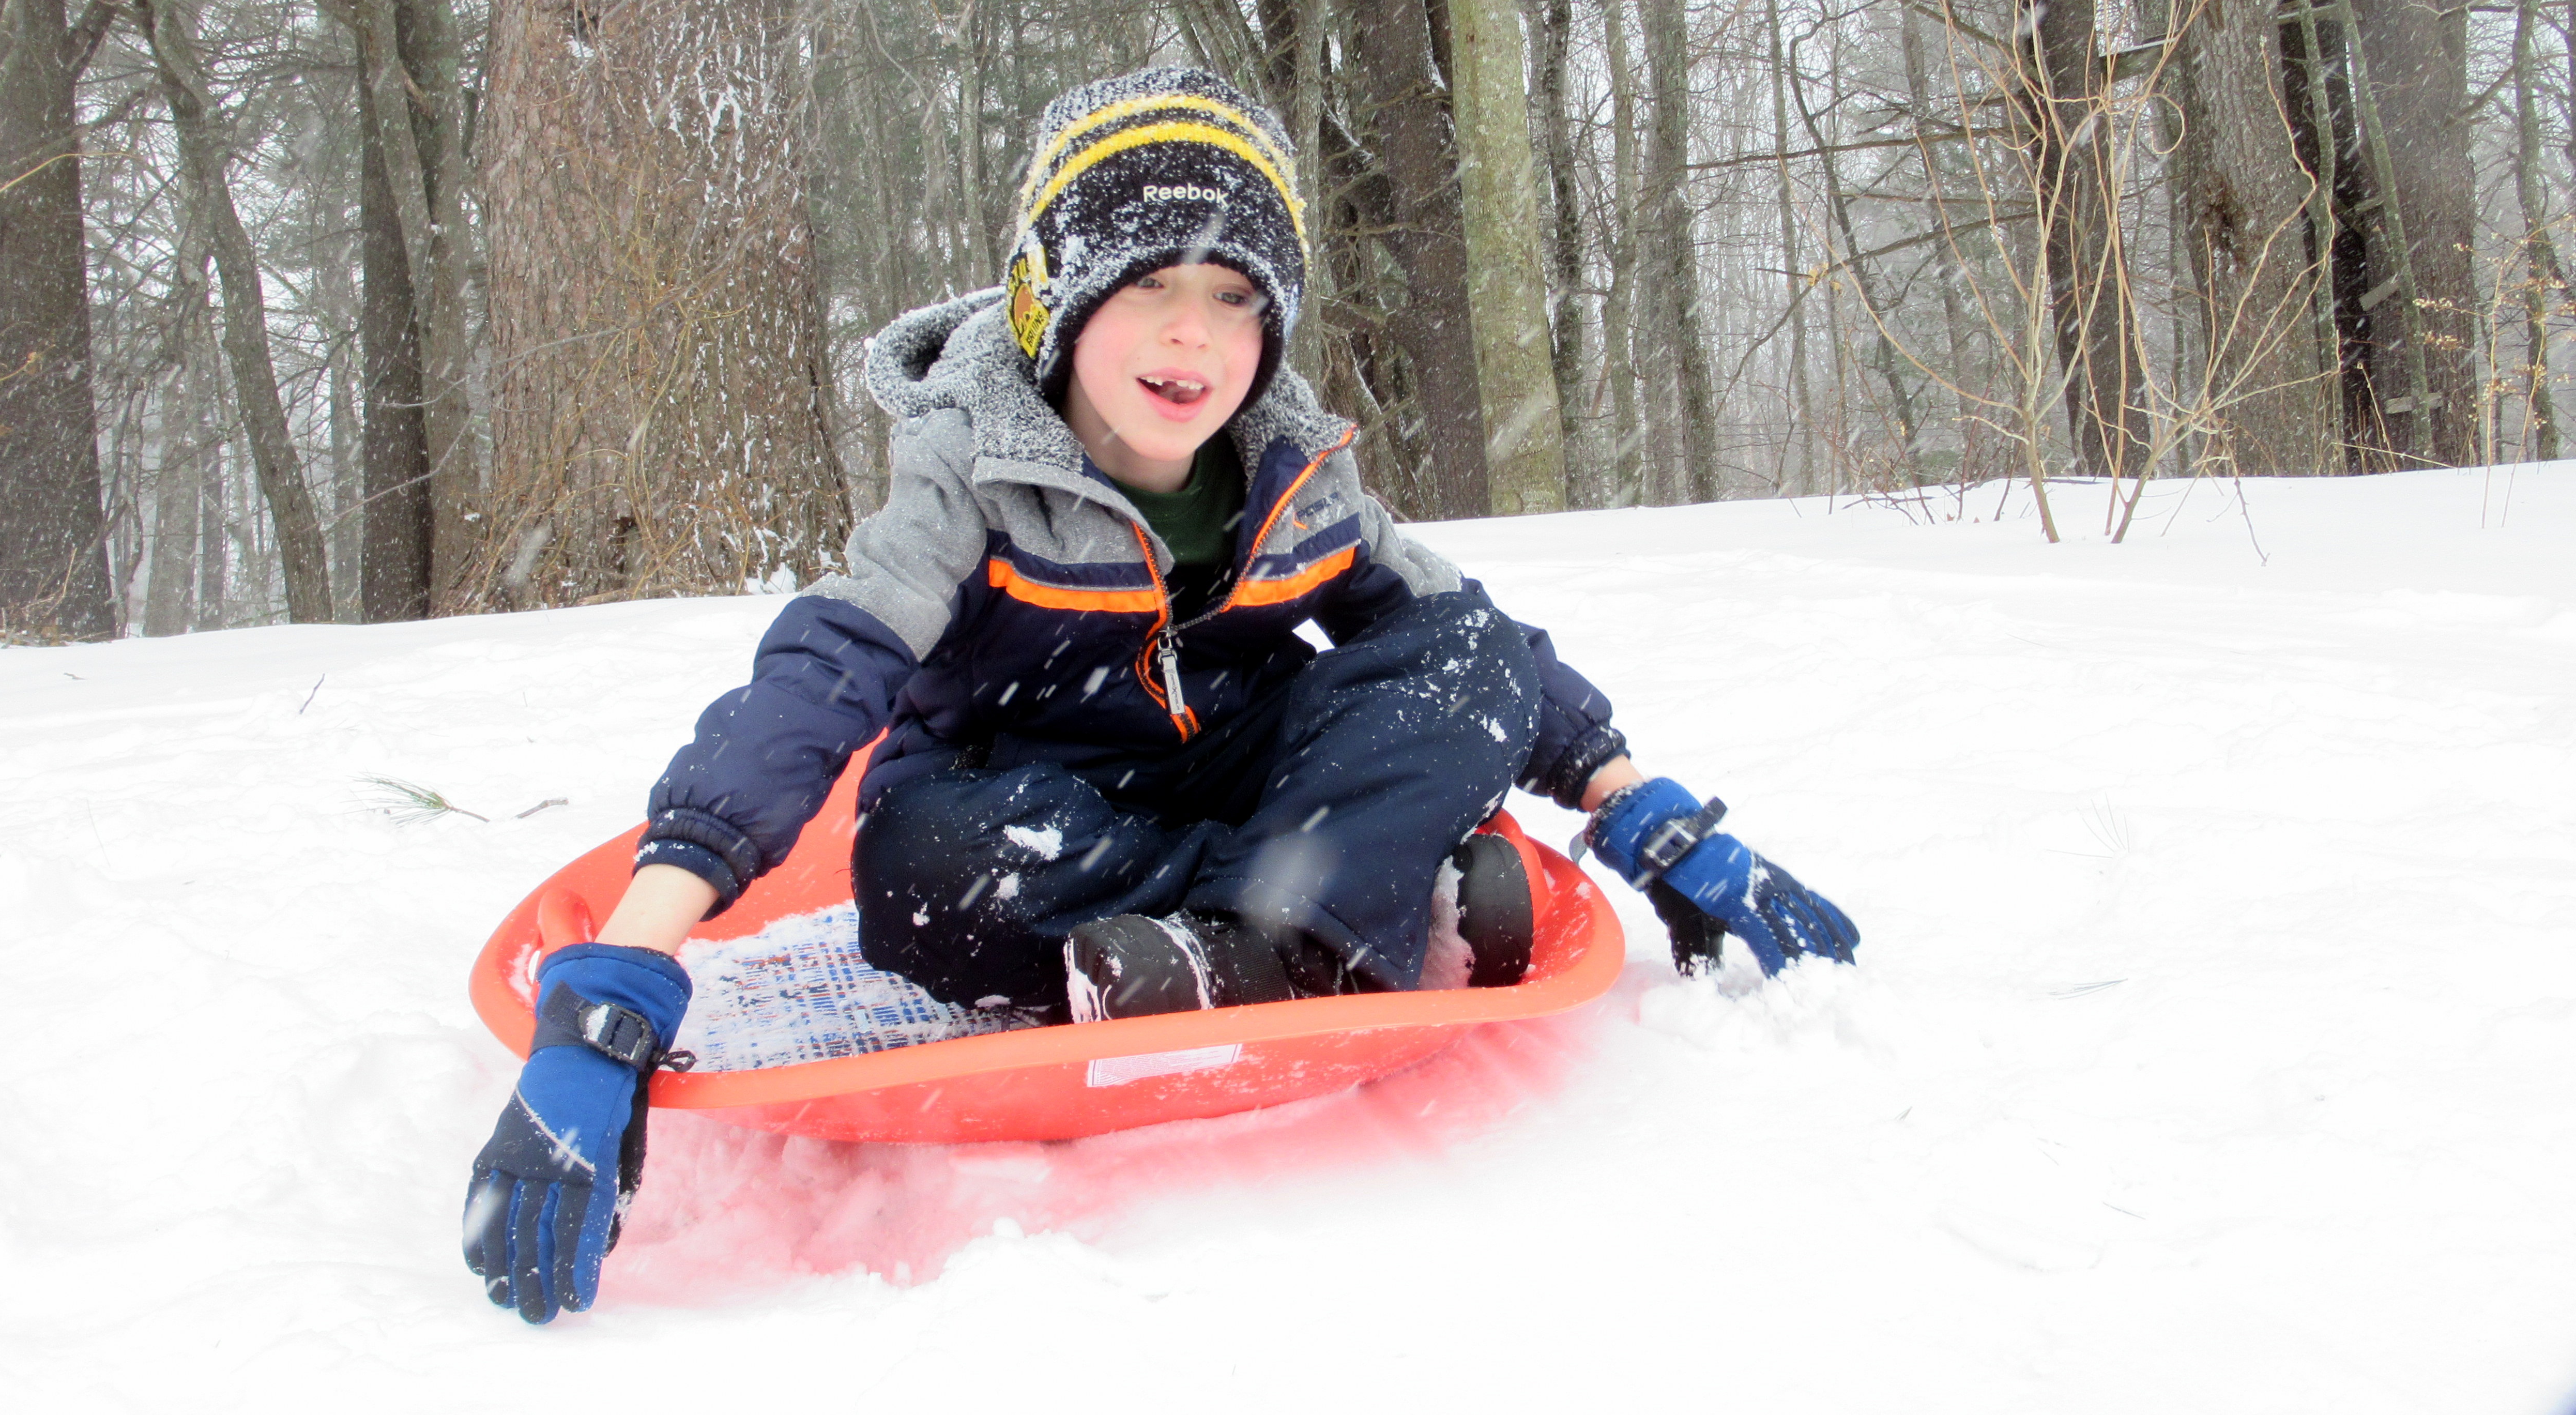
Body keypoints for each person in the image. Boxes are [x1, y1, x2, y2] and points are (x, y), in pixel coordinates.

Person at [462, 68, 1859, 1323]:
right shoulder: (968, 471)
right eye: (1149, 285)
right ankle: (1336, 907)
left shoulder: (1289, 464)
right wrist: (620, 978)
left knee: (1464, 649)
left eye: (1236, 297)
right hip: (1034, 808)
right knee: (923, 872)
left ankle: (1259, 930)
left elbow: (1464, 643)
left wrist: (1642, 810)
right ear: (1055, 300)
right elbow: (820, 679)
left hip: (1237, 767)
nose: (1193, 335)